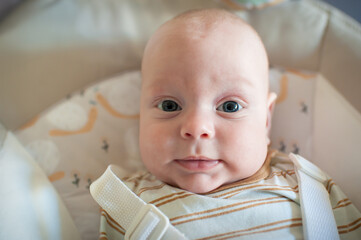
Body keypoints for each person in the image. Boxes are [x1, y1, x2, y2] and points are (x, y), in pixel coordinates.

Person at [91, 9, 361, 239]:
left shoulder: (309, 189)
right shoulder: (123, 202)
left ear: (266, 120)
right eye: (169, 106)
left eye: (230, 107)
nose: (197, 128)